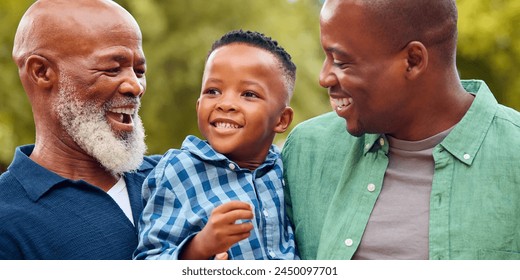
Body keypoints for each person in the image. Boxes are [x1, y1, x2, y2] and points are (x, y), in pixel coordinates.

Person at [282, 0, 520, 260]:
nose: (324, 77)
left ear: (413, 60)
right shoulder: (306, 151)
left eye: (341, 61)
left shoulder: (513, 155)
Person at [0, 0, 160, 259]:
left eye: (139, 70)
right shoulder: (7, 220)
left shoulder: (175, 176)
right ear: (41, 72)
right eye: (112, 68)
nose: (135, 86)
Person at [134, 30, 298, 260]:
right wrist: (201, 247)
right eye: (213, 91)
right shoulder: (179, 170)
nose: (226, 104)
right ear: (199, 104)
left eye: (249, 94)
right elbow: (149, 259)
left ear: (281, 120)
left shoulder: (283, 170)